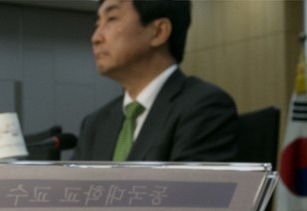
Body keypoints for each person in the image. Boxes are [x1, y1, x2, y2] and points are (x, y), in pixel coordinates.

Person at [72, 0, 238, 162]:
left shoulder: (204, 107)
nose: (95, 38)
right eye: (97, 24)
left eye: (111, 19)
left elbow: (189, 181)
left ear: (159, 31)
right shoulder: (95, 123)